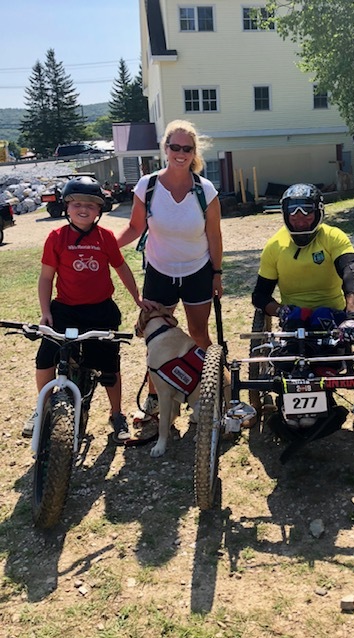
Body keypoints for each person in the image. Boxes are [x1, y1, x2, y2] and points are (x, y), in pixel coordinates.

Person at [23, 176, 152, 444]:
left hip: (100, 310)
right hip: (65, 309)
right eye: (77, 204)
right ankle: (42, 408)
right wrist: (45, 311)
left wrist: (137, 297)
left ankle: (117, 414)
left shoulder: (105, 238)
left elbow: (121, 268)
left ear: (99, 210)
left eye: (91, 205)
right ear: (67, 207)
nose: (83, 209)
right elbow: (46, 277)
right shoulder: (56, 238)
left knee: (108, 364)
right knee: (46, 356)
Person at [116, 119, 223, 420]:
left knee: (199, 334)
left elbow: (214, 235)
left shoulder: (205, 190)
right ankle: (156, 399)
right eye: (174, 147)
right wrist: (107, 246)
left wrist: (217, 274)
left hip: (197, 270)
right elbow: (135, 227)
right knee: (156, 339)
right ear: (165, 148)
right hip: (159, 271)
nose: (180, 153)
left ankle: (209, 390)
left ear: (193, 152)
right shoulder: (147, 186)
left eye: (186, 148)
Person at [252, 183, 354, 339]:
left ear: (318, 213)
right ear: (285, 215)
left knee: (322, 315)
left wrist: (353, 316)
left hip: (332, 315)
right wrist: (281, 311)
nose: (300, 221)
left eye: (307, 214)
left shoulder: (333, 237)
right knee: (297, 318)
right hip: (294, 317)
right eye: (294, 215)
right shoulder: (274, 246)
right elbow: (260, 295)